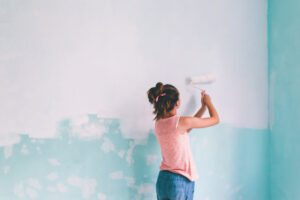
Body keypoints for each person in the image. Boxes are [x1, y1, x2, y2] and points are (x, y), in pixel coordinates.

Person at [147, 82, 219, 200]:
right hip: (180, 181)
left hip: (163, 180)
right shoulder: (180, 122)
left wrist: (202, 108)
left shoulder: (158, 123)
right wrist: (208, 101)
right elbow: (215, 119)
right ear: (177, 103)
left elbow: (188, 127)